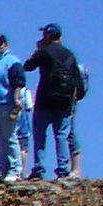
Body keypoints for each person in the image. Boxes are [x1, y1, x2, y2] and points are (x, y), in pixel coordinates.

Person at [27, 23, 84, 180]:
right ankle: (63, 169)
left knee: (40, 134)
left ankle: (39, 168)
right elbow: (79, 84)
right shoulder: (70, 55)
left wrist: (37, 50)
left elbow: (28, 66)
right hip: (64, 103)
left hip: (45, 100)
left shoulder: (44, 52)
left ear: (48, 36)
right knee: (61, 135)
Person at [0, 34, 26, 179]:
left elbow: (19, 81)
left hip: (6, 103)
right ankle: (3, 169)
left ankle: (15, 169)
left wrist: (16, 98)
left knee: (10, 137)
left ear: (5, 44)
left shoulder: (12, 61)